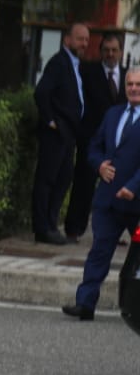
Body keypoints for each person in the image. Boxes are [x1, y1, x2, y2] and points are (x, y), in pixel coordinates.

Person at [63, 68, 140, 320]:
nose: (133, 88)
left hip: (136, 201)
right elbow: (94, 146)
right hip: (108, 200)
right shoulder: (113, 114)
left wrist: (133, 187)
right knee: (99, 252)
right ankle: (85, 304)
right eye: (130, 84)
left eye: (138, 84)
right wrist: (99, 166)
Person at [32, 23, 91, 245]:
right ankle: (42, 228)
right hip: (56, 133)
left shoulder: (74, 64)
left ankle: (51, 223)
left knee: (63, 178)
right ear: (67, 40)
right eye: (80, 39)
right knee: (47, 179)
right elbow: (41, 92)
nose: (84, 44)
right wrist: (51, 121)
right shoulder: (59, 62)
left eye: (86, 39)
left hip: (69, 133)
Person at [65, 32, 126, 242]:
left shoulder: (128, 77)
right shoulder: (88, 72)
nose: (110, 54)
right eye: (106, 50)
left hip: (119, 142)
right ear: (101, 52)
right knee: (84, 185)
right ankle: (74, 229)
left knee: (116, 188)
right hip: (93, 140)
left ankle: (112, 232)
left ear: (121, 52)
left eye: (114, 50)